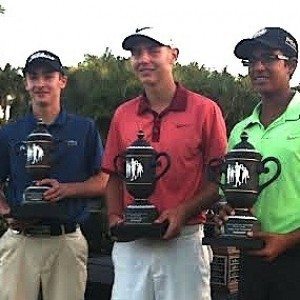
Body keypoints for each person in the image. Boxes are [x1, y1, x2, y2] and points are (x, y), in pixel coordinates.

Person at [101, 27, 227, 300]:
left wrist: (182, 211)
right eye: (136, 53)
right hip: (132, 244)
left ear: (173, 55)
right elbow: (114, 176)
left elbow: (220, 181)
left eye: (153, 50)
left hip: (184, 241)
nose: (143, 59)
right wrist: (113, 217)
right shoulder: (123, 114)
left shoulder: (205, 110)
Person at [0, 50, 108, 300]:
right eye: (33, 77)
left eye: (48, 76)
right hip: (20, 241)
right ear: (26, 82)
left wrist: (66, 190)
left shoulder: (84, 129)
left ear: (62, 81)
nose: (40, 84)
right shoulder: (10, 133)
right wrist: (7, 212)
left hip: (65, 240)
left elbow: (103, 180)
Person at [223, 27, 300, 300]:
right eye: (251, 61)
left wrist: (288, 240)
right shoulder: (241, 130)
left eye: (268, 58)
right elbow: (229, 191)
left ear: (290, 66)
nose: (258, 67)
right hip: (251, 254)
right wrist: (227, 210)